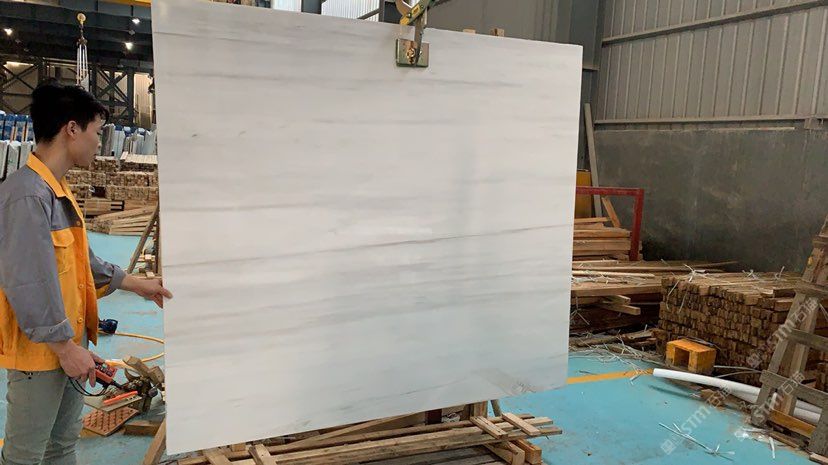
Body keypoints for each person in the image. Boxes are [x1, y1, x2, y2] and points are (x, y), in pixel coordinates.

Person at [0, 82, 172, 465]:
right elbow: (26, 283)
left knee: (62, 446)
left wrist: (138, 284)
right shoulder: (27, 196)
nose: (99, 142)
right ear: (72, 129)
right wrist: (65, 348)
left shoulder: (57, 190)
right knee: (24, 457)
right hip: (42, 355)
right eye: (97, 131)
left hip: (70, 345)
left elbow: (84, 263)